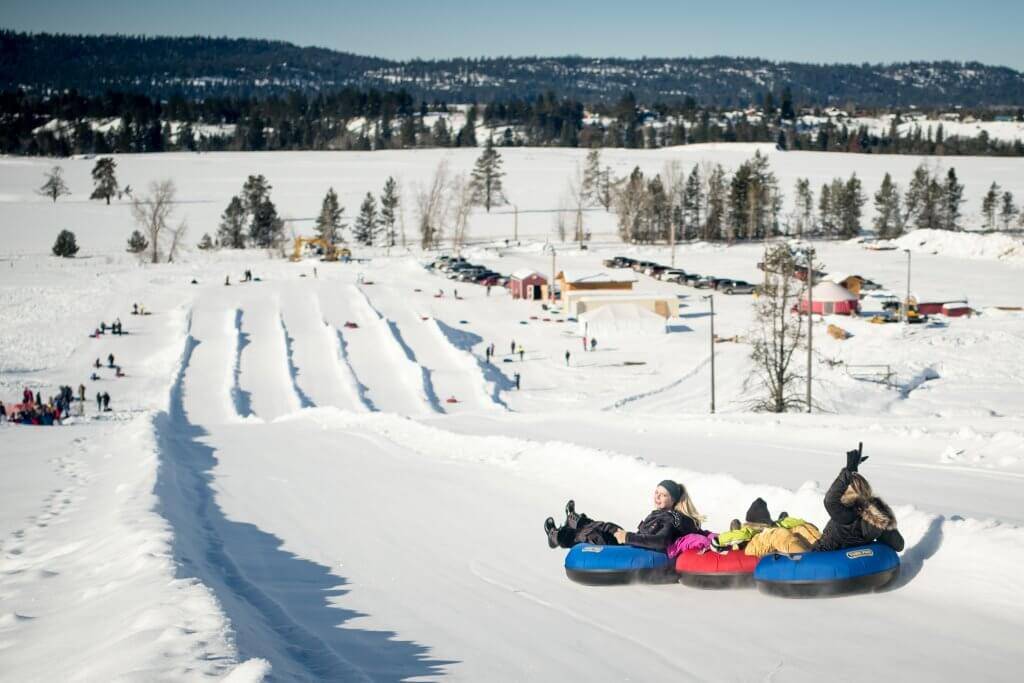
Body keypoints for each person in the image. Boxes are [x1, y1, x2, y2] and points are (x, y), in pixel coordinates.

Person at [544, 481, 705, 552]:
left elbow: (660, 541)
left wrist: (627, 537)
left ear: (673, 500)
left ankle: (558, 537)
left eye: (663, 495)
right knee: (606, 526)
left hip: (635, 549)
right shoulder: (661, 513)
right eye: (656, 492)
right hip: (634, 543)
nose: (657, 497)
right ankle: (576, 521)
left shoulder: (669, 519)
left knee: (593, 536)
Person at [812, 446, 904, 552]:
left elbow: (830, 500)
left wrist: (849, 471)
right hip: (859, 561)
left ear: (846, 492)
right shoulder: (879, 518)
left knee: (794, 536)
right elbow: (899, 545)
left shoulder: (846, 515)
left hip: (824, 558)